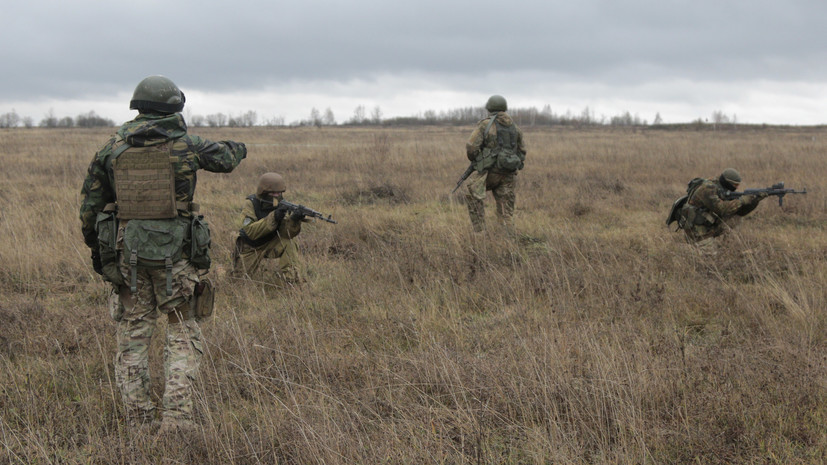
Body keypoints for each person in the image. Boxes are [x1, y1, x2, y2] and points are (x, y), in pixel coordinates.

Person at [79, 75, 247, 434]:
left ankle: (139, 423)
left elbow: (89, 211)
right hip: (179, 259)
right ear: (176, 107)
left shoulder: (112, 148)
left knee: (132, 339)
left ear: (137, 106)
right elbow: (228, 158)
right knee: (182, 334)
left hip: (129, 258)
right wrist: (239, 145)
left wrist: (102, 258)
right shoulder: (188, 145)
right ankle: (177, 420)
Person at [464, 94, 527, 234]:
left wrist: (477, 160)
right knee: (506, 210)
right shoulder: (515, 127)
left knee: (472, 193)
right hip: (508, 173)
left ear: (490, 108)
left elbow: (471, 147)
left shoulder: (486, 125)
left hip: (489, 173)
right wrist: (513, 164)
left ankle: (479, 233)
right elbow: (522, 151)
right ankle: (507, 238)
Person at [231, 172, 307, 285]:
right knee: (238, 283)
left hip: (271, 243)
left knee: (290, 242)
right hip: (251, 246)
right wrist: (274, 217)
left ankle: (292, 282)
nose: (276, 195)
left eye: (279, 193)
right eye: (273, 193)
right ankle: (220, 271)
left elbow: (286, 234)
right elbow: (250, 231)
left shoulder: (282, 204)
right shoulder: (251, 203)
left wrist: (294, 221)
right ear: (264, 192)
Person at [672, 168, 768, 251]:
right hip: (697, 230)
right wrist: (742, 201)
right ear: (727, 182)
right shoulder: (708, 188)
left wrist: (755, 201)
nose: (737, 188)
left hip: (709, 225)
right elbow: (721, 209)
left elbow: (740, 212)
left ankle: (725, 246)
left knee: (736, 218)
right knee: (710, 257)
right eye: (735, 185)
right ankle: (683, 248)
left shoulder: (723, 187)